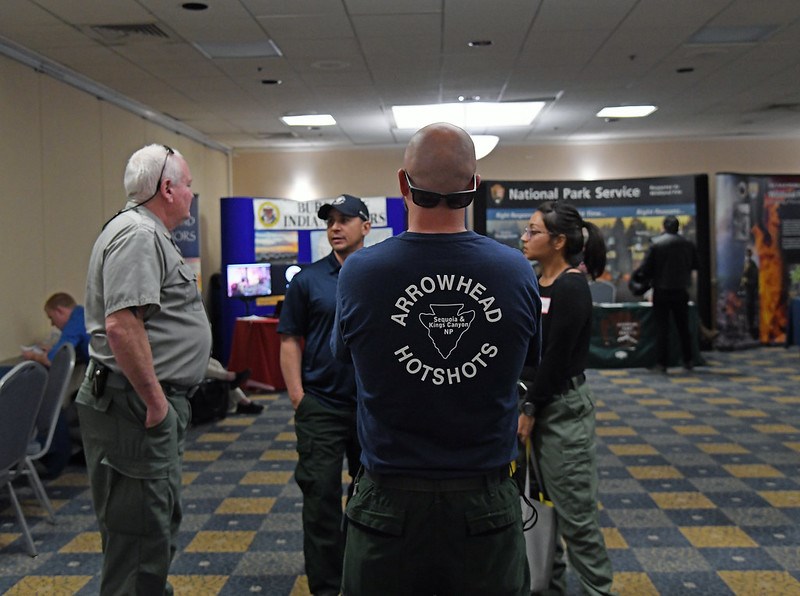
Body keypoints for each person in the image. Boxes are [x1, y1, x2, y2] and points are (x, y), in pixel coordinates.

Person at [331, 122, 541, 596]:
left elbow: (343, 361)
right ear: (473, 186)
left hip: (388, 501)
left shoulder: (361, 273)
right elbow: (527, 363)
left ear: (403, 183)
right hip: (485, 499)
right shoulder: (515, 272)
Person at [76, 144, 212, 595]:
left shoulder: (148, 232)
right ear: (168, 188)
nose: (193, 193)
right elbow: (122, 325)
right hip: (134, 407)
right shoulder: (138, 234)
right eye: (189, 184)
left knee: (151, 529)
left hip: (138, 405)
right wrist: (156, 402)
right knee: (138, 541)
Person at [518, 201, 616, 596]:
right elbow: (528, 353)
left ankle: (598, 590)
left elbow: (556, 358)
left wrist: (530, 408)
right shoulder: (534, 283)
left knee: (576, 519)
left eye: (534, 231)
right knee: (543, 515)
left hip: (560, 410)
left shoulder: (572, 286)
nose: (525, 238)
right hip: (533, 406)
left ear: (558, 241)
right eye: (527, 230)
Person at [278, 194, 371, 596]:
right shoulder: (307, 280)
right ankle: (328, 588)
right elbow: (289, 340)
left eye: (345, 220)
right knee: (320, 502)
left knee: (372, 501)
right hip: (321, 407)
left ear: (365, 226)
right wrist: (298, 396)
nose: (335, 227)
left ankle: (366, 579)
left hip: (373, 409)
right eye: (330, 221)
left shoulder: (379, 276)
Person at [639, 215, 699, 372]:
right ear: (678, 227)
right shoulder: (688, 244)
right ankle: (688, 360)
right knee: (683, 328)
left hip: (661, 291)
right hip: (681, 290)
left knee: (662, 329)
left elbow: (646, 269)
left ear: (663, 227)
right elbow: (695, 264)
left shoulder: (656, 244)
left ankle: (662, 363)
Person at [22, 292, 90, 367]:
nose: (52, 324)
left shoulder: (75, 322)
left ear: (59, 311)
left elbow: (53, 361)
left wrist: (33, 356)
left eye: (51, 317)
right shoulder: (82, 314)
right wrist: (54, 350)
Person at [740, 247, 759, 339]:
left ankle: (751, 330)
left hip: (750, 292)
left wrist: (746, 281)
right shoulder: (743, 264)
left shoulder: (753, 264)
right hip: (745, 291)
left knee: (750, 311)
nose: (747, 255)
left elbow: (755, 280)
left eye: (749, 253)